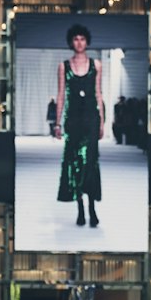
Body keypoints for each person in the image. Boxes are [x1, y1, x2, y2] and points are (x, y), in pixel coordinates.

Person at [53, 23, 103, 229]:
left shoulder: (97, 65)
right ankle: (81, 209)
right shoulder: (64, 66)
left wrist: (102, 121)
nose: (79, 42)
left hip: (91, 117)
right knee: (74, 164)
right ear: (71, 42)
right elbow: (61, 95)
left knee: (90, 162)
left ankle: (92, 208)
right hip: (73, 120)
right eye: (76, 39)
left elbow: (99, 93)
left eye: (82, 39)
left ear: (87, 41)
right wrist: (57, 124)